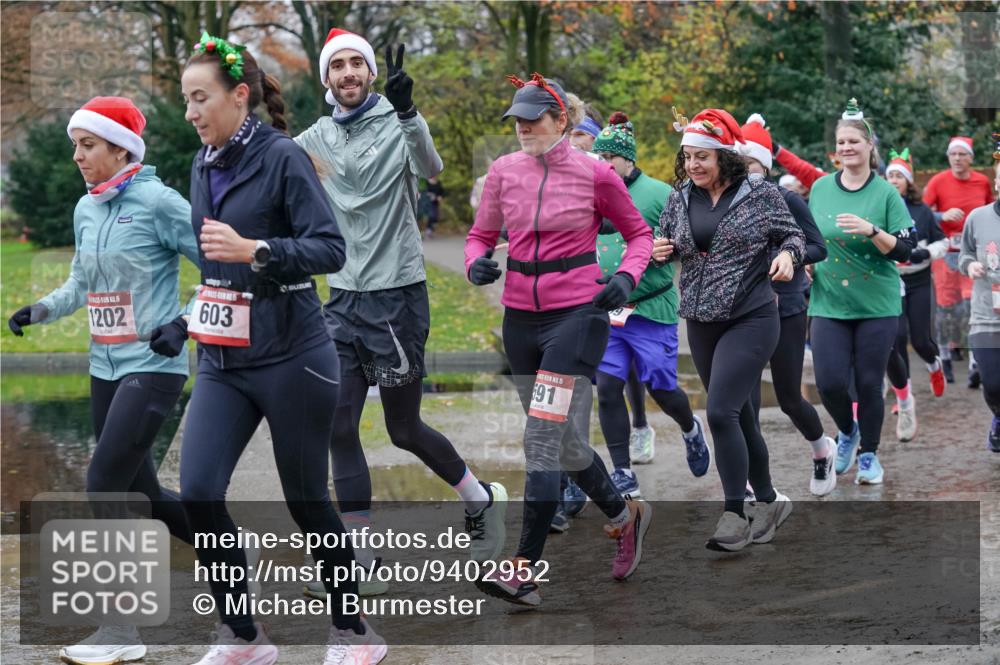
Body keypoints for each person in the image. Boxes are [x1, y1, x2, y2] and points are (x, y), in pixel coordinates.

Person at [176, 33, 385, 664]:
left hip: (294, 354)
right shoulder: (202, 161)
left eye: (199, 98)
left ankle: (354, 633)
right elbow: (216, 272)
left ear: (239, 96)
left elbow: (329, 248)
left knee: (306, 500)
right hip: (222, 358)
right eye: (185, 100)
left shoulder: (282, 157)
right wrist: (185, 321)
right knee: (198, 491)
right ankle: (244, 637)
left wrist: (257, 251)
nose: (190, 113)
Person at [294, 29, 507, 588]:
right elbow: (275, 173)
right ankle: (359, 555)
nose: (347, 74)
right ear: (326, 79)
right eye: (336, 66)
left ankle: (481, 498)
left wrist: (409, 110)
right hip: (341, 298)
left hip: (396, 296)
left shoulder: (398, 122)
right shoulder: (313, 138)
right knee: (338, 425)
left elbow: (431, 165)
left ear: (369, 72)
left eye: (355, 64)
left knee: (403, 427)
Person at [7, 96, 200, 665]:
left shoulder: (161, 203)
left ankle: (122, 628)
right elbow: (78, 283)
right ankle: (232, 557)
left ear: (123, 149)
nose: (77, 156)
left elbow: (221, 268)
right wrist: (38, 310)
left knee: (103, 483)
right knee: (145, 493)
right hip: (103, 367)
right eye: (75, 145)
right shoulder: (85, 209)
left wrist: (184, 323)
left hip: (153, 366)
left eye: (88, 145)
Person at [466, 72, 654, 606]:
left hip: (578, 314)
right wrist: (475, 263)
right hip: (520, 320)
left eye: (534, 120)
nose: (523, 129)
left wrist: (626, 277)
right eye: (517, 121)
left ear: (560, 121)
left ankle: (522, 570)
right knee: (565, 442)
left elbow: (639, 235)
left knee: (541, 442)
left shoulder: (596, 175)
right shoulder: (504, 172)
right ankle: (624, 515)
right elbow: (481, 236)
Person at [659, 107, 804, 551]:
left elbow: (793, 236)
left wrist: (787, 257)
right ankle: (768, 499)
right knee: (739, 417)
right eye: (687, 157)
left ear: (725, 155)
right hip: (702, 321)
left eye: (701, 156)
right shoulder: (680, 196)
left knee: (719, 411)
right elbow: (664, 237)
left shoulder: (760, 192)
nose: (692, 165)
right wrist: (657, 248)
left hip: (753, 316)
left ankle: (733, 515)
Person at [590, 111, 711, 500]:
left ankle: (690, 427)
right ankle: (622, 470)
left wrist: (668, 251)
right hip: (607, 309)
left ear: (628, 159)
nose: (604, 165)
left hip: (650, 307)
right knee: (608, 388)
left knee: (660, 386)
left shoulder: (661, 194)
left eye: (611, 158)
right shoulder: (590, 190)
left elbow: (690, 242)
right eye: (600, 157)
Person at [806, 99, 916, 486]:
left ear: (871, 147)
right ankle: (847, 431)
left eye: (854, 141)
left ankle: (869, 454)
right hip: (829, 300)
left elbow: (906, 250)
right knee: (830, 382)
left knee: (869, 383)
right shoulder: (819, 188)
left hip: (877, 304)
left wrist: (872, 230)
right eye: (842, 142)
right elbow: (809, 237)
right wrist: (803, 259)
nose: (847, 147)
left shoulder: (886, 193)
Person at [739, 113, 836, 497]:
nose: (745, 172)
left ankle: (821, 448)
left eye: (750, 165)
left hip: (786, 306)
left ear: (763, 164)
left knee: (789, 399)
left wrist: (790, 257)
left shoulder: (788, 199)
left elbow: (818, 247)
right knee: (741, 402)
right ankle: (751, 480)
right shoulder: (724, 203)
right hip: (742, 311)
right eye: (738, 164)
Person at [884, 148, 949, 441]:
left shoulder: (921, 211)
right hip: (891, 281)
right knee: (896, 339)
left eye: (899, 176)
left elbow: (943, 242)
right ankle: (904, 396)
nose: (894, 180)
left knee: (920, 340)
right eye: (890, 175)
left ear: (908, 181)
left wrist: (926, 252)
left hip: (920, 281)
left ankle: (934, 365)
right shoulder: (881, 207)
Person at [924, 136, 996, 385]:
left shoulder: (982, 181)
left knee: (971, 305)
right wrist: (942, 214)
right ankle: (944, 359)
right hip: (947, 252)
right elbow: (920, 214)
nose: (957, 158)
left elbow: (991, 210)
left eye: (962, 154)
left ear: (971, 158)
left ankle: (976, 363)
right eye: (953, 154)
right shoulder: (938, 181)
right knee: (946, 308)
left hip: (976, 253)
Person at [959, 147, 1000, 453]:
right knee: (993, 384)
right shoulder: (978, 218)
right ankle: (998, 415)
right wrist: (970, 265)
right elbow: (965, 254)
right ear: (996, 183)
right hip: (986, 315)